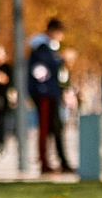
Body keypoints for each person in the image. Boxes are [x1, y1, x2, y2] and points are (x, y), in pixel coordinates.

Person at [26, 21, 72, 175]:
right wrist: (61, 60)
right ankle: (44, 163)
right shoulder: (42, 49)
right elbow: (41, 71)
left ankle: (62, 161)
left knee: (57, 128)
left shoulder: (50, 49)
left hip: (51, 93)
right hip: (45, 94)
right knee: (45, 129)